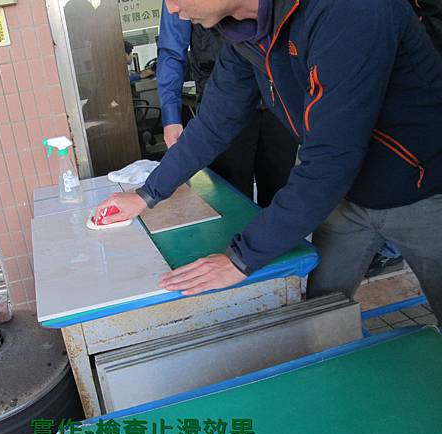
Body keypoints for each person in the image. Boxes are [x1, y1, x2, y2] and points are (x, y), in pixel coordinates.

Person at [94, 0, 442, 324]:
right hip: (346, 197)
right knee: (319, 316)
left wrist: (240, 258)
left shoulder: (347, 10)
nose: (171, 8)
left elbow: (330, 158)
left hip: (424, 189)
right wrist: (146, 194)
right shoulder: (246, 33)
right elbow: (214, 123)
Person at [157, 2, 298, 206]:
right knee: (231, 197)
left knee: (283, 193)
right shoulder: (179, 4)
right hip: (222, 106)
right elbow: (172, 50)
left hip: (278, 98)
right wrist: (171, 116)